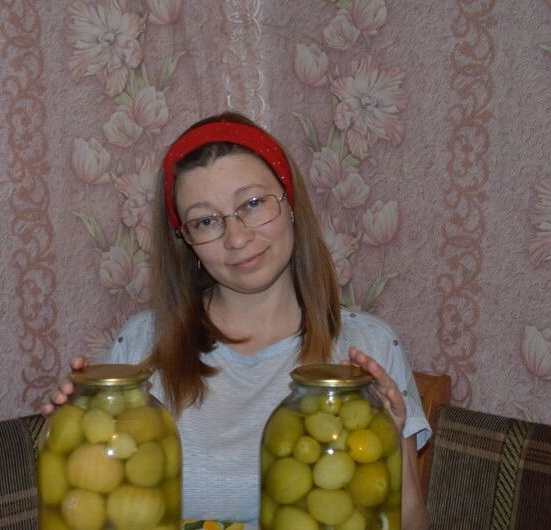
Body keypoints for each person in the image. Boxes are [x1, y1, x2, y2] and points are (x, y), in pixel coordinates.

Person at [44, 112, 430, 529]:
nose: (237, 238)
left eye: (253, 203)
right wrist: (67, 445)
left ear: (289, 203)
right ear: (187, 242)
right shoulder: (140, 347)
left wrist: (393, 442)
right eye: (206, 221)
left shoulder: (368, 348)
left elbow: (409, 524)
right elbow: (100, 511)